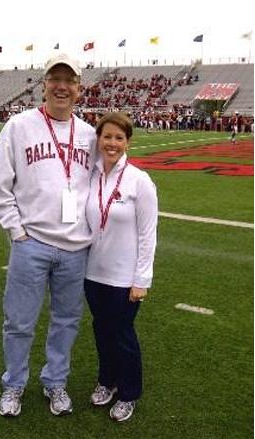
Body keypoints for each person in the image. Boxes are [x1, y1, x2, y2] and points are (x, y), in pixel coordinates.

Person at [0, 53, 98, 418]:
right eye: (55, 79)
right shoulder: (19, 127)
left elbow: (101, 185)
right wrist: (18, 232)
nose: (62, 86)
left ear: (79, 88)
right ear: (44, 83)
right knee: (19, 322)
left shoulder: (89, 134)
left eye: (69, 80)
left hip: (75, 248)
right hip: (31, 244)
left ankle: (55, 383)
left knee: (66, 321)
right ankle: (14, 385)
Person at [83, 112, 158, 422]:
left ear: (128, 142)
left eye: (118, 138)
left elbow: (148, 233)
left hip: (125, 278)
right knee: (101, 331)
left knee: (122, 335)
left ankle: (128, 393)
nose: (112, 143)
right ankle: (107, 380)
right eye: (107, 137)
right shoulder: (91, 175)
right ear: (98, 139)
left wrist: (142, 279)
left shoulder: (139, 181)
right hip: (93, 273)